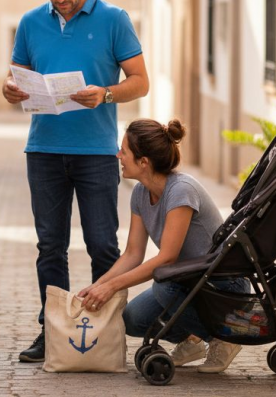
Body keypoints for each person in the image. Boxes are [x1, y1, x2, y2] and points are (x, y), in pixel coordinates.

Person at [2, 0, 149, 363]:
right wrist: (10, 89)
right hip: (43, 150)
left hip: (97, 153)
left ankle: (106, 333)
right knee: (50, 247)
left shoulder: (114, 20)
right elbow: (16, 82)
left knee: (103, 246)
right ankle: (52, 333)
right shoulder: (30, 23)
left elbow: (140, 81)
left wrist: (105, 94)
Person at [77, 119, 248, 373]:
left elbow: (167, 258)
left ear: (143, 162)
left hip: (223, 283)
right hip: (190, 281)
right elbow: (133, 254)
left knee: (164, 284)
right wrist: (99, 286)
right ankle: (192, 340)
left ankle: (223, 338)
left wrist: (113, 286)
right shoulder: (140, 193)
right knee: (134, 319)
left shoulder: (181, 191)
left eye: (124, 151)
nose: (118, 155)